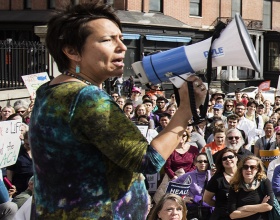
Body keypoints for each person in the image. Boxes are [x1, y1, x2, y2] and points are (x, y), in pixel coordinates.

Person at [28, 2, 206, 218]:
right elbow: (148, 160)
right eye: (107, 40)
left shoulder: (49, 90)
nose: (122, 46)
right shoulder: (85, 96)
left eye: (120, 38)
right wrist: (186, 111)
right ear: (72, 51)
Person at [173, 153, 213, 219]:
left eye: (205, 161)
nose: (202, 163)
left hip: (210, 209)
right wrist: (182, 198)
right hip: (194, 209)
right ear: (195, 163)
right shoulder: (189, 175)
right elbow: (171, 186)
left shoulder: (212, 174)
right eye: (200, 161)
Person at [203, 149, 238, 220]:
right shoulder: (217, 179)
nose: (228, 159)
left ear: (236, 158)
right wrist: (220, 206)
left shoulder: (245, 175)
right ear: (221, 162)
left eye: (231, 157)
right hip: (222, 216)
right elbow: (206, 199)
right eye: (224, 159)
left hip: (243, 214)